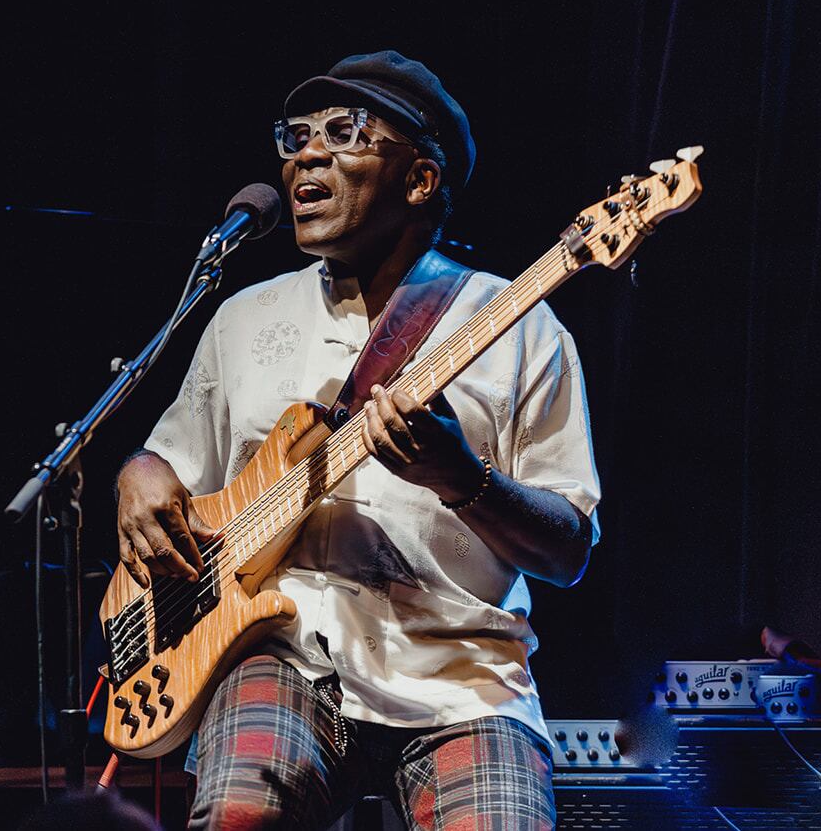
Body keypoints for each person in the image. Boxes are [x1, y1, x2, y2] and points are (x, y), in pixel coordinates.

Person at [115, 51, 600, 830]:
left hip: (464, 676)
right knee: (239, 814)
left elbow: (568, 548)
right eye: (296, 135)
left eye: (344, 132)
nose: (305, 155)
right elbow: (171, 462)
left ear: (420, 179)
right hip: (284, 653)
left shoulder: (518, 325)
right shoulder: (243, 319)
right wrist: (137, 471)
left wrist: (461, 477)